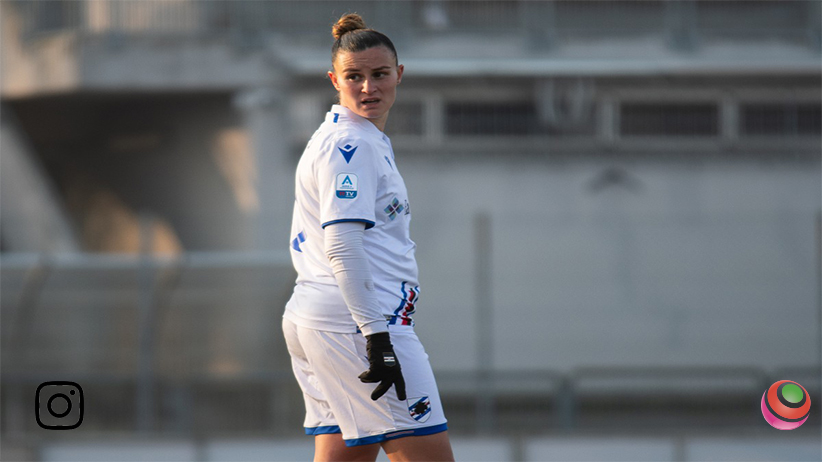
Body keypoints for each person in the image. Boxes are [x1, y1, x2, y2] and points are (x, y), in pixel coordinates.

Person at [282, 13, 456, 462]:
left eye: (379, 74)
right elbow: (343, 245)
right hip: (358, 326)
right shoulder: (352, 144)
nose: (368, 88)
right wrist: (377, 340)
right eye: (353, 77)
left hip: (321, 318)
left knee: (346, 455)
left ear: (399, 74)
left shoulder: (353, 137)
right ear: (333, 80)